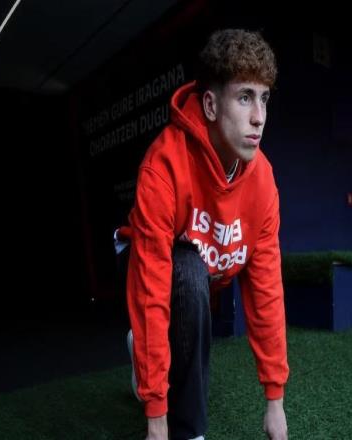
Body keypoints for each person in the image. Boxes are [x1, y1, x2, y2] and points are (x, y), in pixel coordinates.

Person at [116, 28, 289, 440]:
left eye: (264, 98)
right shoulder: (164, 166)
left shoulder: (263, 181)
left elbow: (266, 291)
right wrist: (156, 418)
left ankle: (146, 359)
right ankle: (190, 429)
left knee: (195, 275)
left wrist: (275, 401)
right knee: (189, 271)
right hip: (147, 259)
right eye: (244, 97)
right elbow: (151, 294)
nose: (259, 117)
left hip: (206, 270)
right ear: (210, 104)